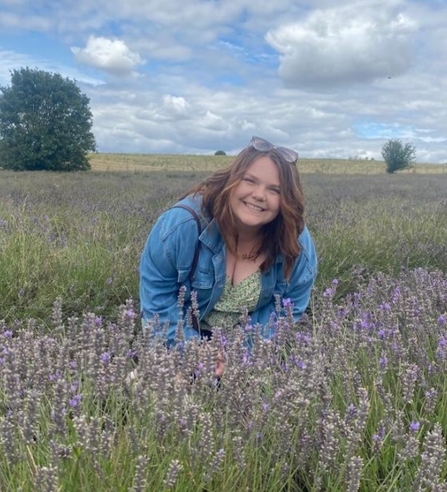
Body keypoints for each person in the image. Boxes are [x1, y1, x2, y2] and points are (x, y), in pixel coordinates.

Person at [139, 136, 317, 372]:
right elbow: (158, 301)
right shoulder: (182, 226)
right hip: (179, 339)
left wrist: (240, 352)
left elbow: (287, 311)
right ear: (231, 181)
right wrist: (195, 352)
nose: (259, 195)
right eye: (250, 181)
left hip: (247, 350)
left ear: (286, 200)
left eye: (275, 190)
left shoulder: (296, 246)